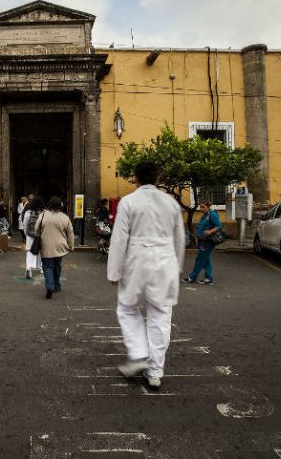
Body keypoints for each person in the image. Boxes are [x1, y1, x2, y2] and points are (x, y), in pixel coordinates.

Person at [107, 162, 185, 390]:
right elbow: (180, 239)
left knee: (127, 308)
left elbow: (119, 238)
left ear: (136, 179)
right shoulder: (171, 203)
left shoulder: (129, 202)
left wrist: (114, 271)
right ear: (158, 179)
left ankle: (139, 353)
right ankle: (154, 372)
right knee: (160, 316)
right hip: (165, 263)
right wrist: (177, 269)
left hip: (137, 262)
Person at [36, 196, 75, 299]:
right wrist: (71, 245)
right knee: (57, 265)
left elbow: (36, 228)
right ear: (60, 206)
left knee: (47, 266)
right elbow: (70, 233)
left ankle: (50, 287)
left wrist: (38, 237)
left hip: (46, 246)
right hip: (60, 246)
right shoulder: (65, 217)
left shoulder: (43, 215)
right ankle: (57, 285)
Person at [182, 201, 222, 285]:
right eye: (200, 207)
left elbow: (219, 226)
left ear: (208, 207)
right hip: (202, 241)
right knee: (206, 260)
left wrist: (210, 231)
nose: (201, 209)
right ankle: (208, 278)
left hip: (208, 241)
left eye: (203, 207)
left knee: (200, 259)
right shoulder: (204, 216)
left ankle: (192, 277)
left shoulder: (212, 214)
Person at [22, 196, 44, 279]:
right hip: (41, 235)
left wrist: (26, 234)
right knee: (42, 252)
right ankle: (41, 268)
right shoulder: (44, 213)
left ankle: (28, 269)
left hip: (30, 235)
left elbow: (25, 225)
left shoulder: (28, 213)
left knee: (29, 252)